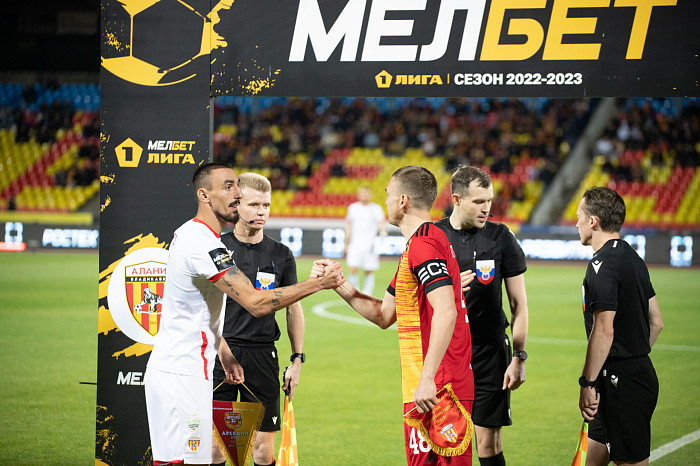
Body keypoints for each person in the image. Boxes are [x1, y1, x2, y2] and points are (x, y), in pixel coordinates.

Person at [144, 162, 345, 466]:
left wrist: (232, 356)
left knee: (200, 457)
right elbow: (255, 302)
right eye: (229, 187)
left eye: (238, 188)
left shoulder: (204, 239)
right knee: (195, 456)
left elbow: (206, 312)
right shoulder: (204, 244)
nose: (237, 195)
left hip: (208, 363)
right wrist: (318, 283)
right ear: (204, 195)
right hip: (184, 370)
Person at [314, 166, 474, 465]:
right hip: (427, 384)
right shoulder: (420, 244)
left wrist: (427, 379)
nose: (385, 200)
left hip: (440, 388)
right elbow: (384, 314)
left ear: (402, 200)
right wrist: (338, 283)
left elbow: (446, 311)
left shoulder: (424, 245)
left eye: (388, 194)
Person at [435, 165, 528, 466]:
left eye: (489, 200)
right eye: (478, 202)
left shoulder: (500, 236)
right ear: (457, 199)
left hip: (490, 353)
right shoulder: (434, 237)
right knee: (444, 441)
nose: (486, 208)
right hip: (447, 352)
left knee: (488, 444)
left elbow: (519, 304)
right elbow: (414, 300)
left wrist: (519, 356)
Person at [212, 172, 305, 466]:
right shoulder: (216, 248)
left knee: (263, 451)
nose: (261, 211)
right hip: (220, 353)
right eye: (253, 205)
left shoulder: (282, 254)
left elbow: (293, 308)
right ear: (237, 205)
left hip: (263, 355)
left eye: (266, 205)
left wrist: (298, 359)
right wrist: (221, 350)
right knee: (215, 448)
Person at [575, 187, 663, 466]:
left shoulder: (602, 265)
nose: (576, 223)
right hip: (627, 378)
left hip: (620, 385)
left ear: (593, 221)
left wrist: (587, 383)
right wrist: (633, 357)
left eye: (579, 217)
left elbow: (604, 329)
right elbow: (657, 322)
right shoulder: (633, 258)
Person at [344, 185, 387, 295]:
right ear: (358, 195)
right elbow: (348, 226)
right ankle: (355, 292)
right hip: (355, 244)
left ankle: (367, 293)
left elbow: (381, 224)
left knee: (369, 270)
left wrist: (383, 233)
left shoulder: (376, 208)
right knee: (352, 268)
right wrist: (346, 243)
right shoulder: (353, 208)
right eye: (362, 193)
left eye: (366, 193)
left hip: (370, 245)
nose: (364, 195)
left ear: (370, 195)